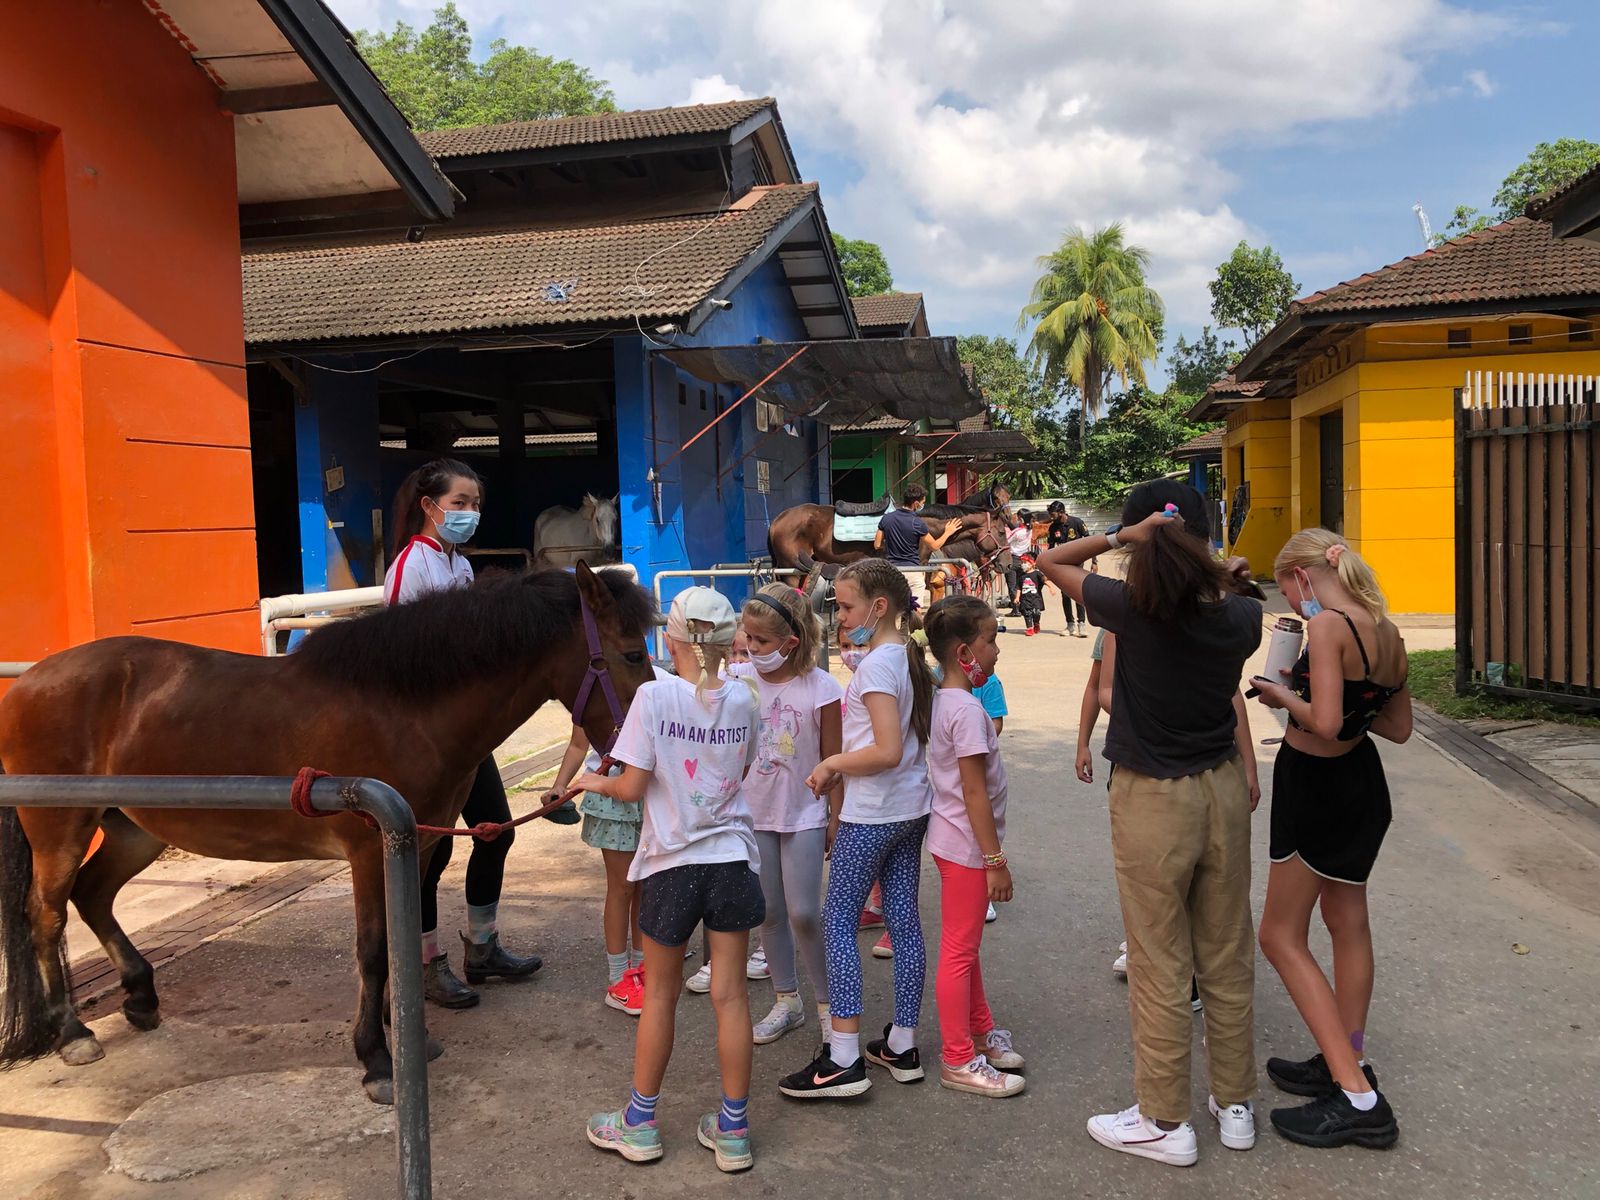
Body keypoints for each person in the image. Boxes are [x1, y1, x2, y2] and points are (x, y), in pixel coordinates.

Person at [1039, 479, 1263, 1169]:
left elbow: (1050, 563)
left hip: (1152, 800)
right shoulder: (1243, 614)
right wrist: (1217, 568)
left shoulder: (1130, 609)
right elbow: (1225, 593)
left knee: (1160, 961)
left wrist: (1116, 538)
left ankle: (1166, 1119)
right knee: (1225, 955)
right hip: (1221, 789)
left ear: (1143, 539)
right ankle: (1235, 1107)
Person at [579, 587, 763, 1173]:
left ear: (673, 638)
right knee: (731, 997)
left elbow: (631, 787)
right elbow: (741, 770)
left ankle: (639, 1123)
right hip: (733, 858)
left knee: (659, 994)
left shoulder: (654, 696)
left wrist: (590, 784)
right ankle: (732, 1132)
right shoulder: (745, 699)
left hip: (672, 865)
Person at [1249, 529, 1412, 1150]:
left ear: (1300, 575)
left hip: (1314, 784)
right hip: (1361, 786)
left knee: (1279, 935)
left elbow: (1318, 720)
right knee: (1348, 923)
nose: (1289, 603)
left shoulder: (1326, 628)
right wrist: (1338, 704)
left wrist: (1279, 692)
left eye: (1285, 587)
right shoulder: (1386, 630)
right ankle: (1346, 1054)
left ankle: (1358, 1097)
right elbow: (1396, 727)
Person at [384, 458, 543, 1009]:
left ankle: (483, 946)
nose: (470, 514)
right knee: (427, 855)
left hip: (468, 737)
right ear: (429, 507)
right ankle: (428, 963)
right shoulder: (412, 566)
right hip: (423, 741)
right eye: (459, 504)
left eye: (475, 504)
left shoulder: (460, 568)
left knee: (495, 830)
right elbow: (403, 657)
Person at [779, 559, 935, 1099]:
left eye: (846, 606)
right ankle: (901, 1042)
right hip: (911, 809)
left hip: (874, 812)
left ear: (879, 606)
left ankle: (843, 1055)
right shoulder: (904, 656)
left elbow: (887, 750)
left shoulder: (876, 667)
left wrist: (832, 765)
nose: (841, 616)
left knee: (838, 921)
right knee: (904, 921)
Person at [721, 584, 846, 1047]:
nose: (750, 648)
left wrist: (836, 817)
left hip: (804, 815)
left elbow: (834, 760)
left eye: (760, 641)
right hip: (752, 815)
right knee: (769, 911)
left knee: (806, 913)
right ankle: (786, 1000)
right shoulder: (737, 681)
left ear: (790, 642)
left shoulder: (822, 688)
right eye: (747, 638)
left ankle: (832, 1007)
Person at [923, 595, 1025, 1098]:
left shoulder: (951, 700)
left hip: (957, 841)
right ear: (965, 651)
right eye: (991, 640)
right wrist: (995, 860)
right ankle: (958, 1058)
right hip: (966, 846)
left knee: (967, 948)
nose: (997, 650)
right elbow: (973, 790)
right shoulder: (963, 710)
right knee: (959, 951)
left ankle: (980, 1032)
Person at [874, 484, 963, 611]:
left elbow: (877, 545)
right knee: (915, 612)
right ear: (916, 503)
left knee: (894, 610)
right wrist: (948, 532)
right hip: (913, 572)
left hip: (892, 571)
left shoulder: (886, 518)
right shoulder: (917, 523)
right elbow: (934, 546)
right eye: (922, 502)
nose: (922, 505)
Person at [1047, 500, 1092, 636]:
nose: (1051, 517)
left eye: (1053, 514)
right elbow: (1050, 548)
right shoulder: (1053, 528)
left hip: (1077, 562)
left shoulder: (1076, 522)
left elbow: (1089, 541)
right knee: (1065, 594)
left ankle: (1081, 624)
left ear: (1061, 512)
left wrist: (1094, 561)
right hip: (1062, 565)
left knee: (1078, 592)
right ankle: (1070, 625)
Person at [1015, 553, 1048, 636]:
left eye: (1025, 562)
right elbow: (1018, 588)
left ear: (1032, 563)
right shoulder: (1021, 576)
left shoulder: (1037, 574)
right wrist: (1017, 597)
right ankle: (1029, 628)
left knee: (1036, 613)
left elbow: (1044, 580)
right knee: (1027, 613)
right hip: (1025, 599)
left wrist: (1050, 587)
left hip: (1036, 598)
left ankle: (1036, 623)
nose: (1023, 565)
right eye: (1022, 563)